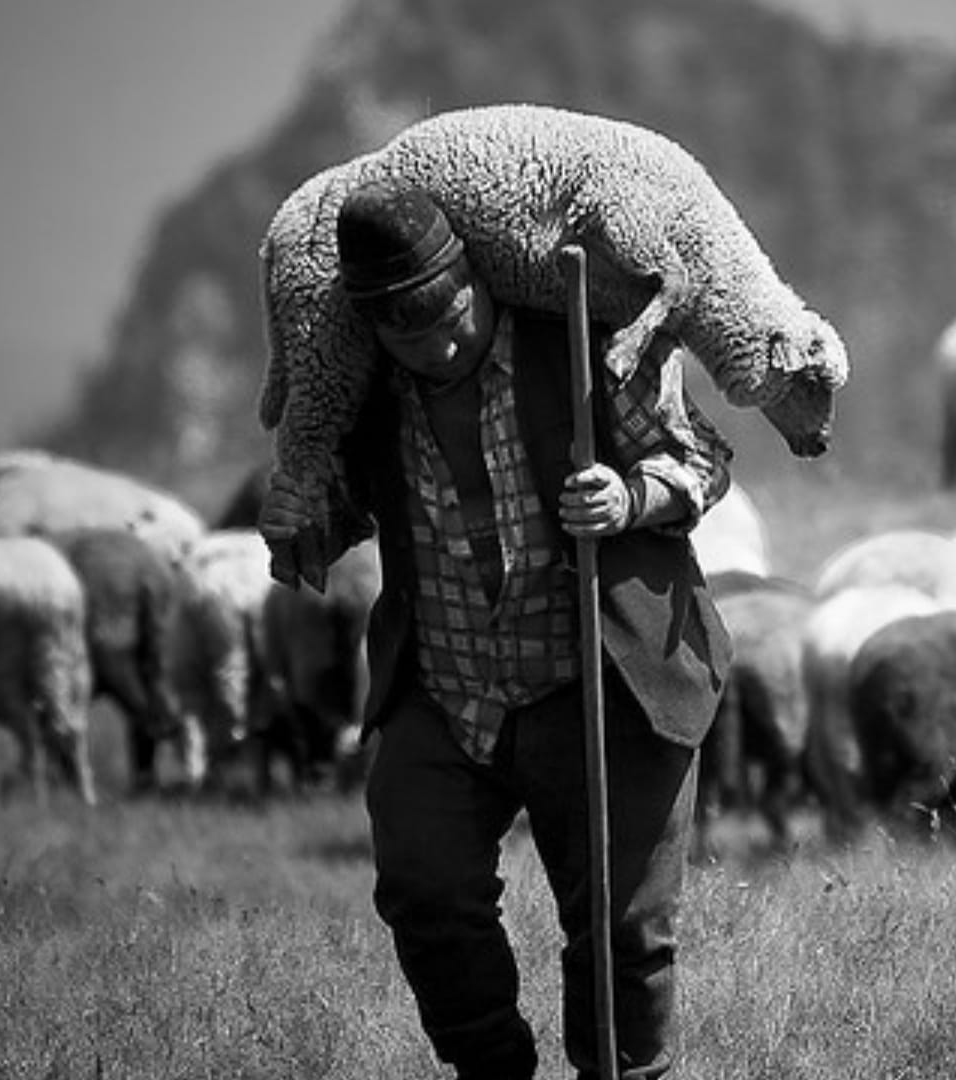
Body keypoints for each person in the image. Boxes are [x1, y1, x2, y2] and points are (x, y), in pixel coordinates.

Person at [260, 183, 734, 1080]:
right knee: (423, 887)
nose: (439, 342)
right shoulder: (364, 392)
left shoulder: (585, 341)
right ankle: (491, 1069)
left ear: (476, 281)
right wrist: (299, 523)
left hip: (602, 676)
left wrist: (631, 497)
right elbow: (337, 523)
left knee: (621, 929)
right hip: (448, 686)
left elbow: (705, 459)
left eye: (450, 316)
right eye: (408, 330)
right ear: (373, 329)